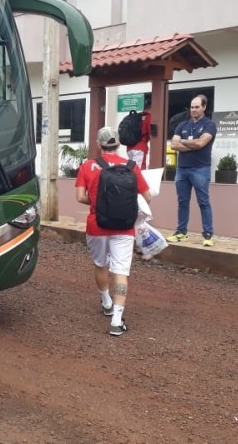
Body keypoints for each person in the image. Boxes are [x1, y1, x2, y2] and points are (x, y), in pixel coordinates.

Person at [76, 127, 151, 336]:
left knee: (101, 264)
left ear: (98, 145)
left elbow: (80, 197)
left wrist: (101, 203)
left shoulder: (88, 166)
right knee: (120, 272)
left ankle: (106, 302)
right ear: (119, 144)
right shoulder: (132, 167)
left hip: (96, 225)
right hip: (124, 228)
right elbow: (148, 196)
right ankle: (117, 321)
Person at [167, 95, 217, 246]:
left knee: (203, 202)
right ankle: (181, 232)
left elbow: (201, 143)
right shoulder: (182, 125)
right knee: (182, 202)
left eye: (197, 107)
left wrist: (183, 142)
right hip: (182, 169)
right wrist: (191, 144)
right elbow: (174, 145)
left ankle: (208, 235)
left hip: (200, 169)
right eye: (192, 107)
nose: (194, 110)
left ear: (204, 107)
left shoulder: (210, 125)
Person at [125, 101, 151, 169]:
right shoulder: (148, 117)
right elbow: (152, 133)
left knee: (132, 169)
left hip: (129, 147)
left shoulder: (135, 117)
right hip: (140, 148)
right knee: (139, 170)